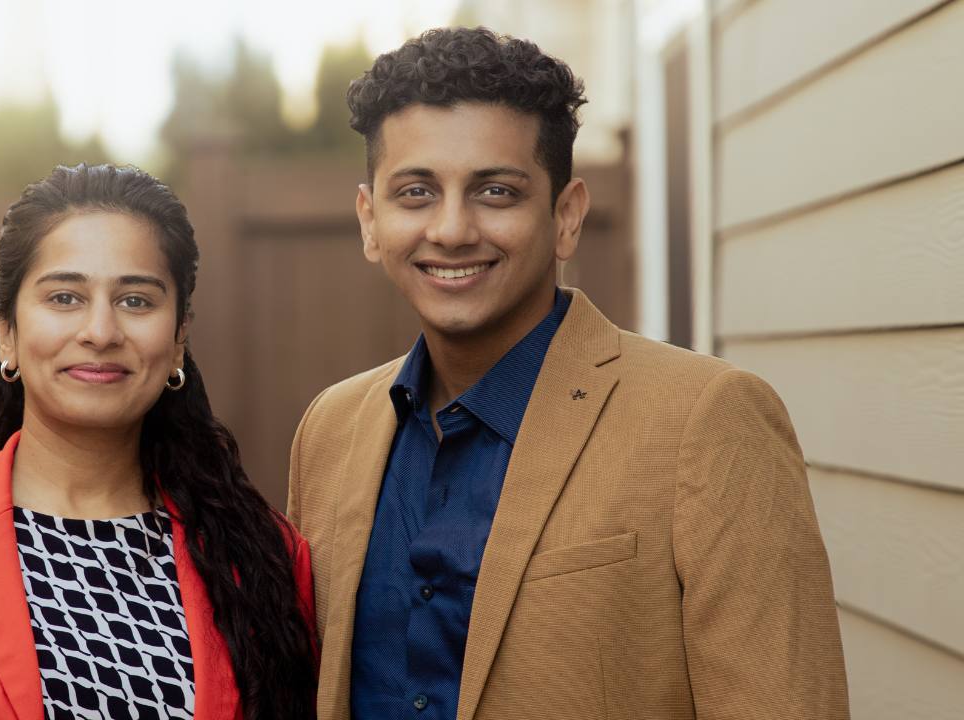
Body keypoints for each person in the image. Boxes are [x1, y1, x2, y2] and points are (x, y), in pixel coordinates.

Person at [287, 27, 848, 720]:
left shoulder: (707, 420)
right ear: (371, 221)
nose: (452, 229)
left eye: (496, 191)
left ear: (566, 217)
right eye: (416, 192)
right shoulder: (329, 432)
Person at [0, 164, 318, 719]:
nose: (100, 332)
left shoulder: (262, 558)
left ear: (178, 340)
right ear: (7, 332)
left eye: (136, 301)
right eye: (65, 297)